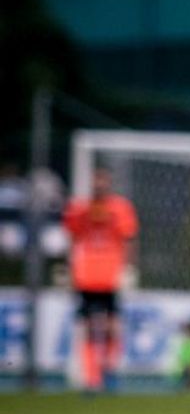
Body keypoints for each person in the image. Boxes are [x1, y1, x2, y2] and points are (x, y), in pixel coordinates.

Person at [63, 168, 140, 393]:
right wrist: (69, 268)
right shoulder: (79, 209)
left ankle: (109, 369)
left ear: (109, 184)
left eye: (103, 182)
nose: (99, 187)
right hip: (86, 277)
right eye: (96, 183)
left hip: (110, 276)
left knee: (112, 326)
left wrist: (129, 268)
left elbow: (129, 239)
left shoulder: (120, 208)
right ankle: (91, 378)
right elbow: (72, 238)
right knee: (88, 327)